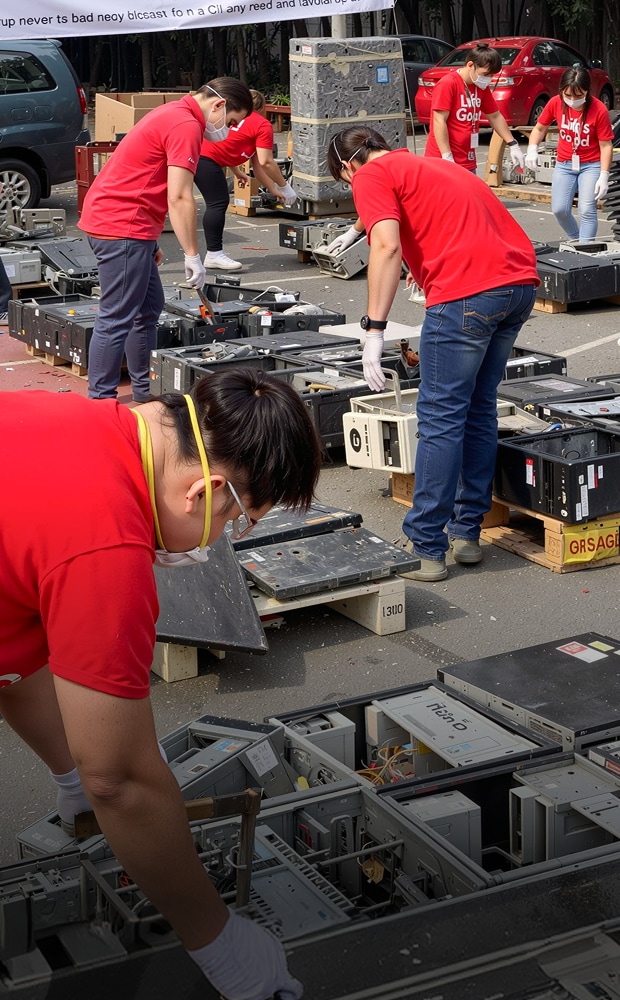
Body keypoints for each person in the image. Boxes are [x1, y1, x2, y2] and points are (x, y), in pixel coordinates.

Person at [0, 367, 322, 999]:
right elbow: (119, 781)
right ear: (205, 491)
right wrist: (216, 938)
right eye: (239, 519)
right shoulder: (106, 547)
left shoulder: (76, 417)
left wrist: (69, 774)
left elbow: (11, 653)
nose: (226, 535)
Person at [327, 125, 539, 582]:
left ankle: (426, 547)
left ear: (349, 166)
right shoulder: (432, 165)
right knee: (478, 409)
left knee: (441, 418)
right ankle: (467, 534)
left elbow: (384, 245)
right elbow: (449, 222)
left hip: (468, 294)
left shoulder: (369, 174)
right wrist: (425, 263)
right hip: (518, 285)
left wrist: (374, 330)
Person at [78, 77, 253, 403]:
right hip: (122, 226)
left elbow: (143, 175)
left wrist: (151, 241)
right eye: (230, 121)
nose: (227, 129)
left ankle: (145, 392)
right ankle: (100, 403)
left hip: (126, 223)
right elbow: (180, 197)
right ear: (217, 105)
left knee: (147, 309)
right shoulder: (186, 124)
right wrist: (192, 255)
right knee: (116, 316)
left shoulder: (173, 112)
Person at [194, 88, 297, 271]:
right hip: (205, 159)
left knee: (214, 202)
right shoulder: (262, 124)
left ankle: (210, 253)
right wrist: (284, 186)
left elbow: (250, 161)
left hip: (200, 155)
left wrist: (272, 189)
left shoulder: (241, 121)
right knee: (217, 203)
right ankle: (213, 254)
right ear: (263, 107)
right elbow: (266, 162)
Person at [525, 67, 613, 242]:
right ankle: (576, 239)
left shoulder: (599, 109)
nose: (573, 100)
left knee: (587, 209)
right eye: (568, 95)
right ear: (561, 91)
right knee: (559, 209)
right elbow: (540, 127)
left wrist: (604, 174)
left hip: (591, 164)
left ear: (587, 92)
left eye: (579, 95)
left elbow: (606, 145)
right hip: (565, 163)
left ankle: (585, 247)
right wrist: (532, 148)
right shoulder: (556, 102)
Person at [424, 42, 525, 174]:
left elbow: (495, 116)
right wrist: (446, 156)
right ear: (471, 65)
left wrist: (513, 144)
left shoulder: (480, 86)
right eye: (486, 74)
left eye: (491, 75)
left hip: (468, 159)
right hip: (442, 159)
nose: (488, 79)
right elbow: (439, 121)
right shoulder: (448, 83)